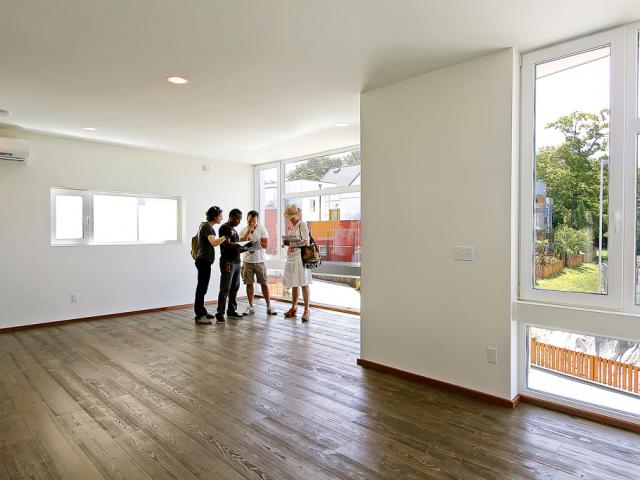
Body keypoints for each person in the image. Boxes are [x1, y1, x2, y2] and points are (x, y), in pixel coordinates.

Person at [239, 210, 277, 316]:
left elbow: (265, 245)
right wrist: (249, 232)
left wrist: (254, 242)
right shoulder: (243, 230)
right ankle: (251, 306)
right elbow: (241, 244)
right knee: (249, 283)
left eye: (254, 222)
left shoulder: (262, 229)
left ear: (257, 220)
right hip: (247, 261)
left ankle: (269, 306)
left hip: (259, 261)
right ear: (247, 219)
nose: (251, 223)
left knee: (264, 283)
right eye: (250, 221)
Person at [194, 206, 227, 325]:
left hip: (202, 261)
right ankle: (199, 315)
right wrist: (225, 237)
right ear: (214, 216)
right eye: (220, 216)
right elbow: (214, 243)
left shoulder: (204, 225)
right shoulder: (208, 227)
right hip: (203, 261)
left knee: (202, 287)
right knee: (201, 288)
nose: (222, 218)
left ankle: (202, 311)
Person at [216, 208, 247, 322]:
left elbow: (237, 248)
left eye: (240, 219)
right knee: (225, 288)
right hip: (227, 262)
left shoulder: (234, 230)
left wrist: (247, 248)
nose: (239, 221)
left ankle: (231, 311)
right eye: (237, 218)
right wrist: (240, 245)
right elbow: (227, 245)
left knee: (235, 287)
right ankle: (220, 314)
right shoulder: (224, 228)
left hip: (237, 262)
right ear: (231, 217)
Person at [282, 204, 311, 322]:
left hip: (300, 257)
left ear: (297, 215)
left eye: (292, 217)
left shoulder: (302, 225)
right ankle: (294, 307)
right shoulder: (291, 227)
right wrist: (287, 243)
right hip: (292, 256)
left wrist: (294, 243)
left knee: (303, 282)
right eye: (290, 217)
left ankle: (306, 309)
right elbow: (291, 241)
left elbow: (305, 241)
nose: (291, 219)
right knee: (294, 282)